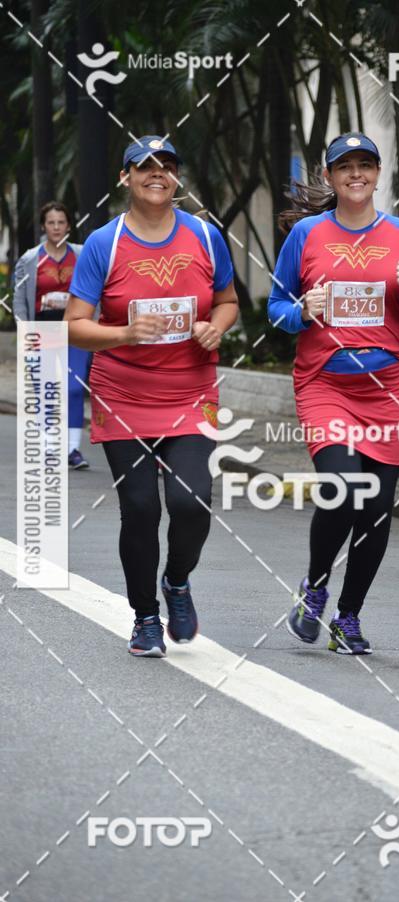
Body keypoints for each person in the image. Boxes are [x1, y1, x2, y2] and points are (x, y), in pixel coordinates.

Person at [268, 132, 399, 655]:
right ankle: (315, 588)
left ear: (378, 172)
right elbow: (277, 309)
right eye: (345, 167)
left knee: (378, 509)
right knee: (344, 488)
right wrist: (304, 307)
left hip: (387, 386)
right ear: (330, 176)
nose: (356, 174)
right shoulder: (305, 234)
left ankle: (349, 617)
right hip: (325, 382)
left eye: (365, 165)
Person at [65, 135, 238, 657]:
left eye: (166, 165)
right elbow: (75, 325)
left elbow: (228, 301)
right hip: (123, 394)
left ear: (177, 176)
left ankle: (178, 581)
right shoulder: (104, 243)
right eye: (144, 167)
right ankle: (144, 617)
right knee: (139, 508)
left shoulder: (206, 237)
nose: (156, 173)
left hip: (192, 393)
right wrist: (123, 334)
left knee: (192, 504)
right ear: (126, 178)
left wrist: (216, 327)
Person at [13, 202, 91, 469]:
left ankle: (72, 450)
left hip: (76, 331)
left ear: (68, 225)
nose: (56, 227)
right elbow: (20, 299)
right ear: (44, 227)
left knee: (73, 388)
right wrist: (24, 329)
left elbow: (94, 292)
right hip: (42, 331)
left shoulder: (81, 255)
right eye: (51, 223)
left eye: (61, 222)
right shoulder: (30, 258)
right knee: (46, 389)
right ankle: (48, 446)